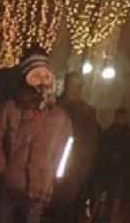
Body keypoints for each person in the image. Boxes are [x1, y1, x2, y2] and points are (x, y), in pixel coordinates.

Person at [0, 52, 73, 223]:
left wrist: (53, 176)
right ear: (26, 78)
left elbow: (63, 151)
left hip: (39, 190)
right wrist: (2, 169)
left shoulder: (60, 117)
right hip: (8, 186)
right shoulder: (10, 108)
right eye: (36, 75)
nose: (43, 81)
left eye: (46, 76)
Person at [50, 72, 100, 223]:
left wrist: (83, 166)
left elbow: (90, 142)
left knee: (64, 205)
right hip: (50, 160)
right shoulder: (54, 105)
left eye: (79, 86)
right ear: (66, 85)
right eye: (73, 85)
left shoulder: (86, 111)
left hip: (73, 165)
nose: (76, 89)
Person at [88, 107, 130, 223]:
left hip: (118, 171)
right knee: (98, 195)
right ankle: (95, 216)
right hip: (105, 168)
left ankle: (105, 218)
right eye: (119, 117)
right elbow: (102, 148)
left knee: (113, 197)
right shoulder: (109, 131)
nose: (120, 120)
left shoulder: (128, 134)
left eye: (123, 117)